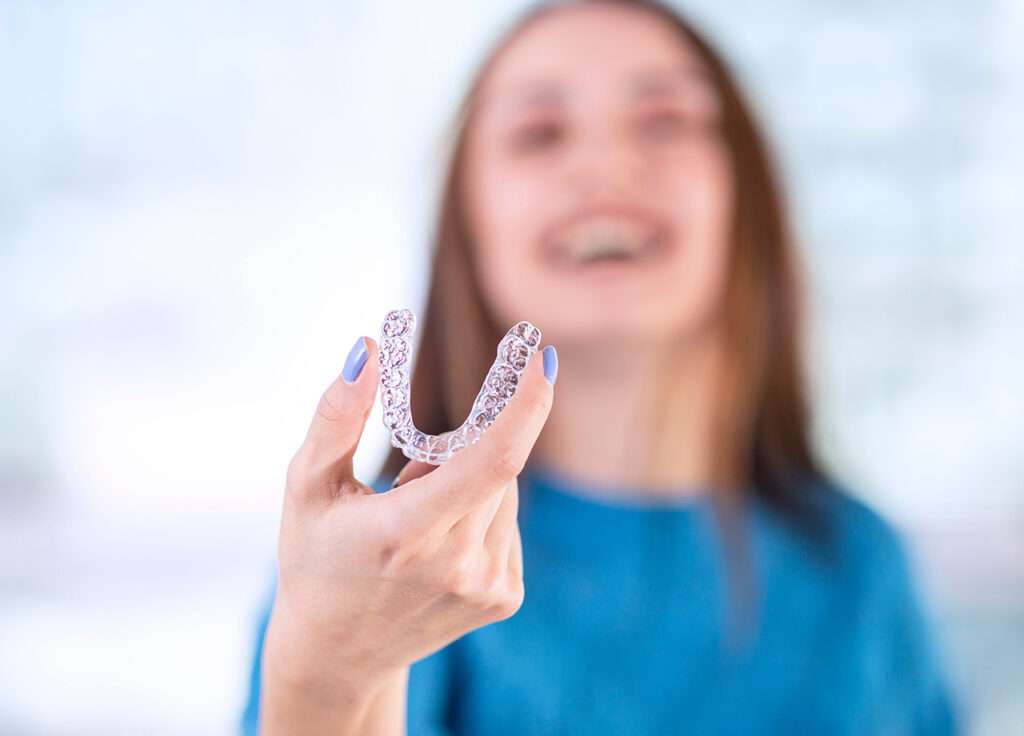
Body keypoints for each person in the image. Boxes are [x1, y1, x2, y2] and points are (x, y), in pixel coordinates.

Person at [241, 1, 959, 733]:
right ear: (468, 224)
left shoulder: (862, 569)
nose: (607, 165)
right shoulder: (391, 565)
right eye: (539, 133)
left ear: (746, 202)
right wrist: (328, 677)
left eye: (665, 120)